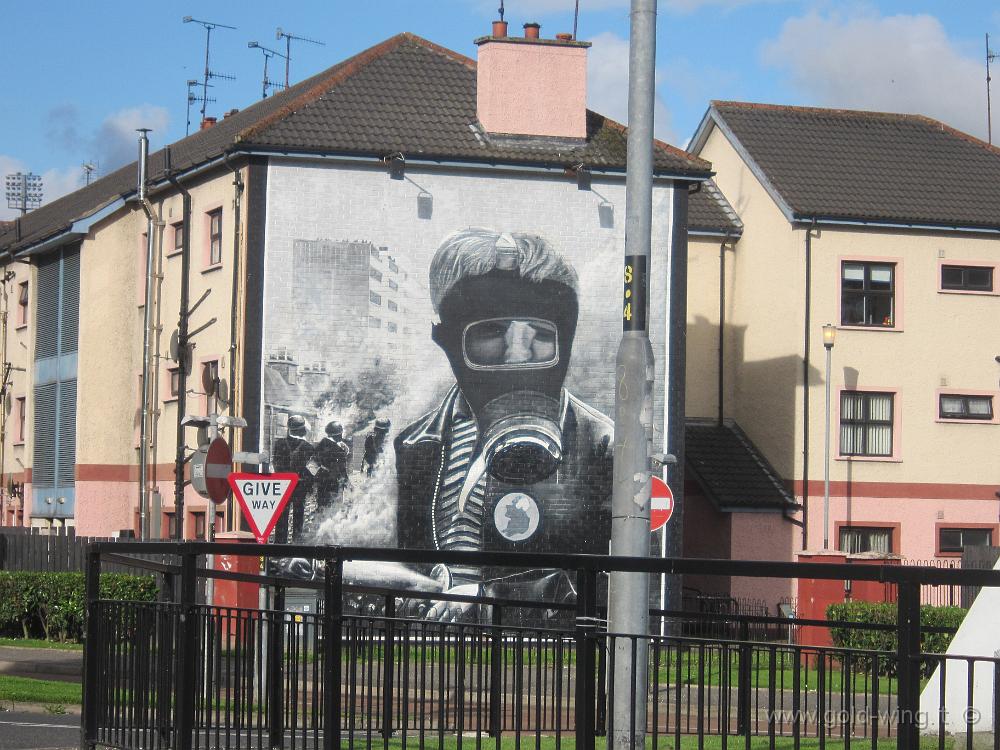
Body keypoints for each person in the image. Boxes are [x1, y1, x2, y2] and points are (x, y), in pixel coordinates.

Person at [394, 228, 613, 618]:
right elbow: (409, 558)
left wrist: (483, 601)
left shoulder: (602, 445)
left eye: (541, 335)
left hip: (534, 654)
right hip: (432, 647)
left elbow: (599, 577)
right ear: (447, 340)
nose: (518, 355)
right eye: (493, 331)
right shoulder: (416, 444)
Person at [272, 414, 314, 543]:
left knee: (281, 516)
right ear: (302, 430)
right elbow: (311, 470)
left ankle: (280, 545)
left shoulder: (279, 444)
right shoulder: (308, 447)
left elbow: (275, 463)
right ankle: (296, 544)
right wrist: (309, 484)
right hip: (299, 487)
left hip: (283, 484)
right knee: (298, 516)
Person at [314, 421, 351, 513]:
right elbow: (342, 469)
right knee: (333, 508)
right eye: (341, 434)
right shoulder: (339, 450)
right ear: (338, 434)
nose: (342, 436)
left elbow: (312, 464)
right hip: (334, 483)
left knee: (322, 506)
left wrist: (318, 477)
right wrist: (347, 482)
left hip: (321, 482)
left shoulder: (321, 444)